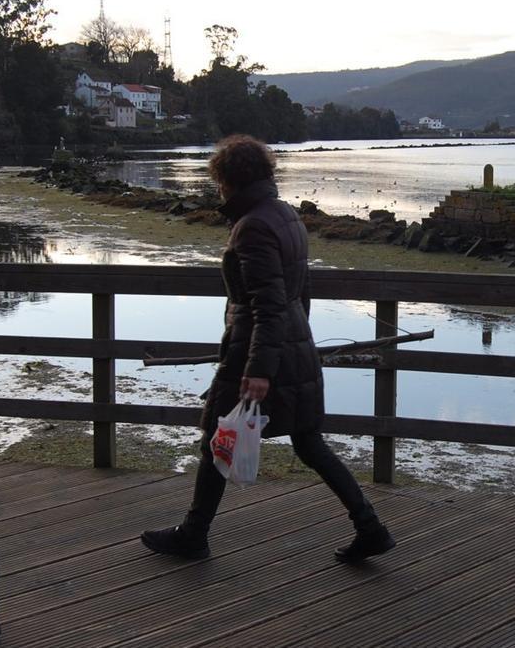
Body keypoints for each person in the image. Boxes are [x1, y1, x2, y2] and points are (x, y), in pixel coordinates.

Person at [141, 135, 395, 563]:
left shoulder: (253, 226)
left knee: (216, 440)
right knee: (309, 442)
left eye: (219, 180)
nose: (217, 189)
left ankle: (193, 535)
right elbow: (300, 291)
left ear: (229, 180)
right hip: (292, 344)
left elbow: (266, 303)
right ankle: (370, 528)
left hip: (254, 350)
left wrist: (259, 369)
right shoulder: (284, 215)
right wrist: (296, 343)